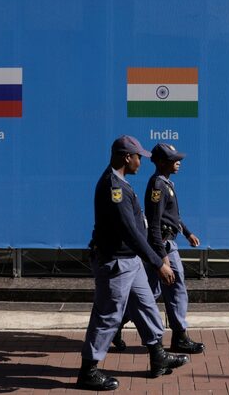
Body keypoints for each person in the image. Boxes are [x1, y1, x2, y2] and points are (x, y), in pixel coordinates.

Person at [77, 135, 189, 391]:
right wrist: (158, 261)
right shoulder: (113, 186)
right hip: (115, 262)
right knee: (107, 315)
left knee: (146, 305)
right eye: (138, 156)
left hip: (131, 260)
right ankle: (88, 370)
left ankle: (158, 355)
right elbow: (129, 231)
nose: (141, 161)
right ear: (127, 157)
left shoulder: (121, 183)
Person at [144, 142, 205, 353]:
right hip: (163, 245)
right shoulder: (158, 186)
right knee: (173, 289)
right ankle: (179, 337)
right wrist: (163, 257)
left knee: (152, 292)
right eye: (173, 160)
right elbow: (154, 223)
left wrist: (187, 233)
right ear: (161, 162)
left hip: (166, 242)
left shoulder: (166, 183)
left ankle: (118, 324)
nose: (178, 163)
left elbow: (173, 217)